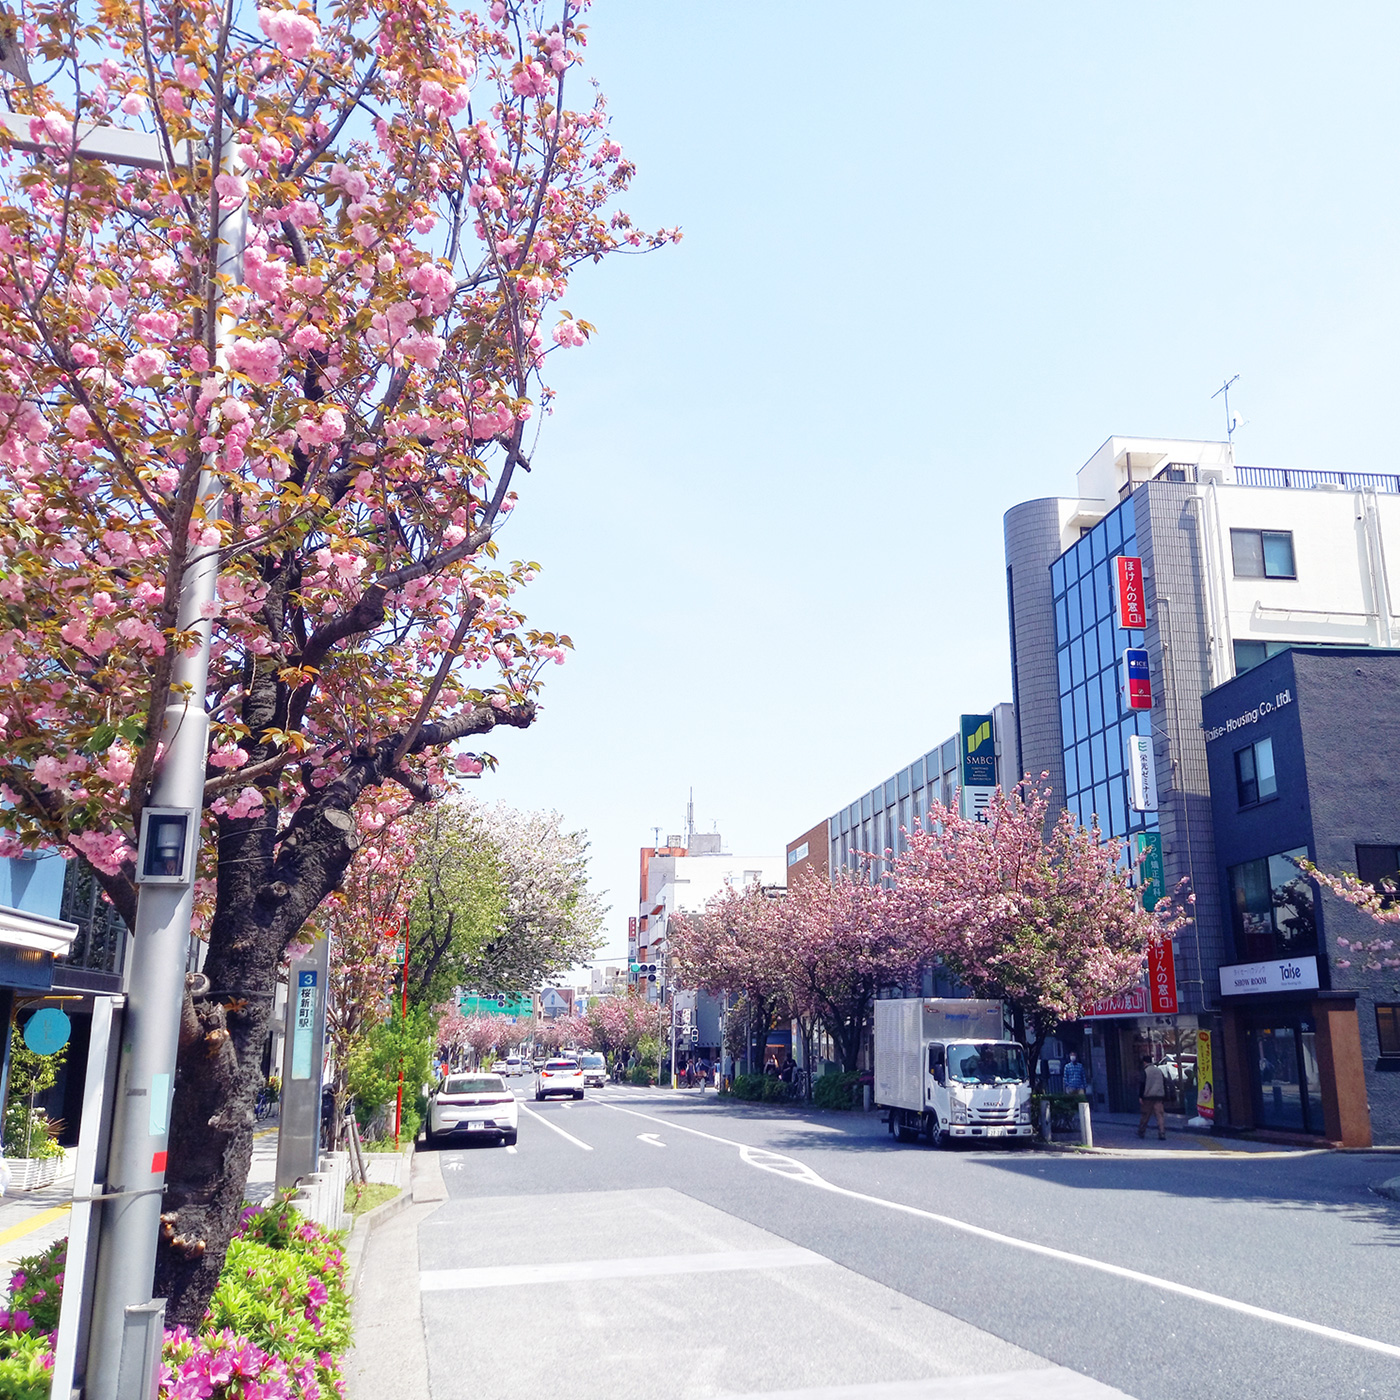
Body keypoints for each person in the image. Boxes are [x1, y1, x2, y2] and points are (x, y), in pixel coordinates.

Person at [1137, 1055, 1167, 1140]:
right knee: (1160, 1115)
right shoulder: (1159, 1070)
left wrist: (1140, 1096)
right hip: (1159, 1096)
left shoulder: (1145, 1071)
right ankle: (1162, 1132)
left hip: (1148, 1096)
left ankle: (1141, 1131)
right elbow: (1164, 1083)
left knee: (1145, 1115)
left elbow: (1142, 1084)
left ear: (1144, 1062)